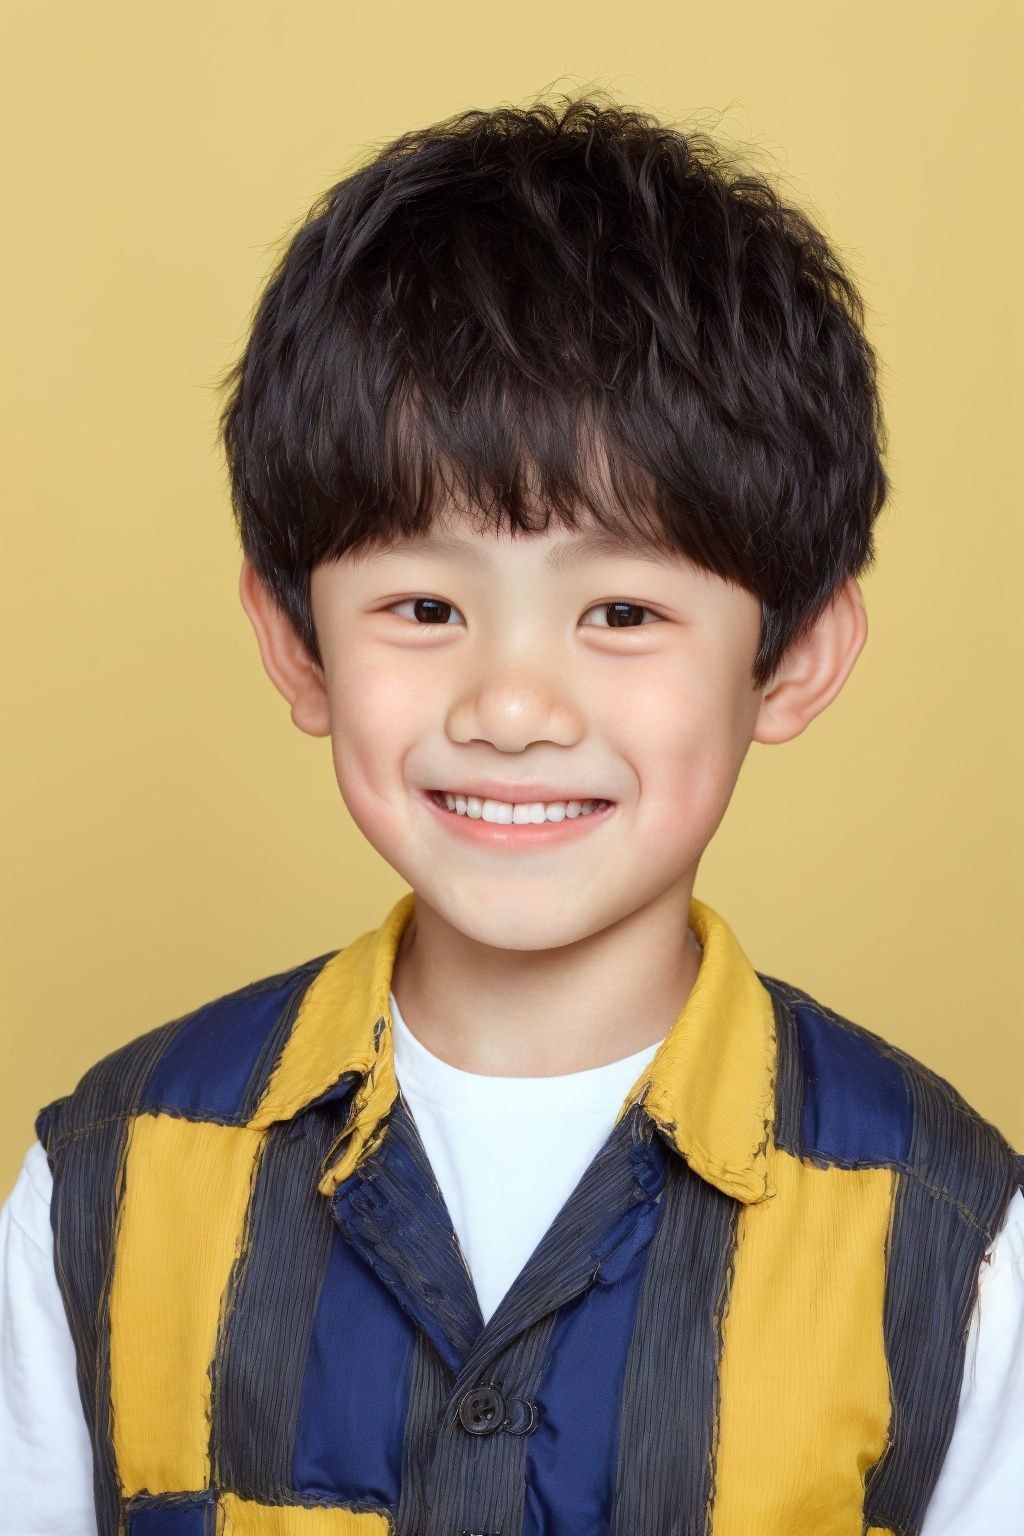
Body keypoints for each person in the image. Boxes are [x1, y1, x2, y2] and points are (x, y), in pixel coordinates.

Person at [1, 93, 1022, 1536]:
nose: (513, 705)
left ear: (790, 661)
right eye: (424, 606)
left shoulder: (953, 1235)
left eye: (622, 609)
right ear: (298, 647)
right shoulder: (107, 1177)